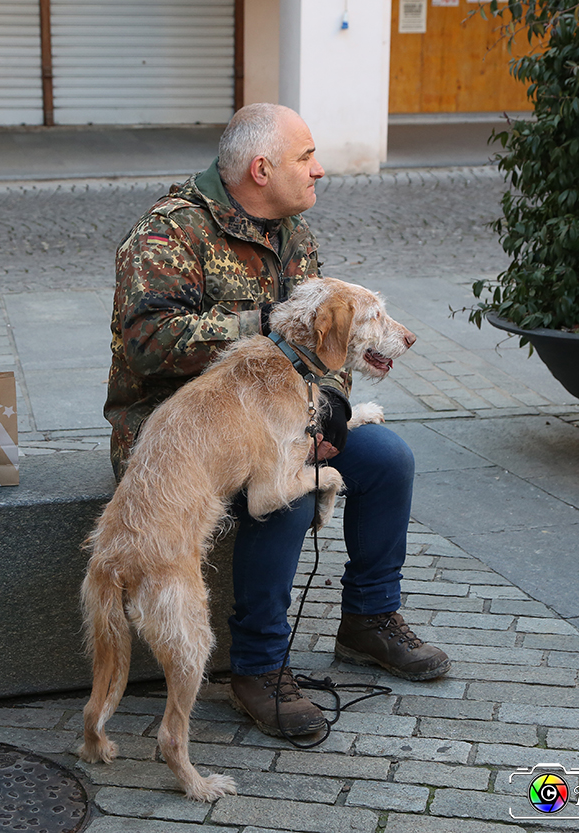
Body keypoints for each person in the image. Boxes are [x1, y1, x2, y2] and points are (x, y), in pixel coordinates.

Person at [104, 103, 450, 738]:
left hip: (285, 419)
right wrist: (261, 326)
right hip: (181, 437)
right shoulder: (167, 233)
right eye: (305, 157)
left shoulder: (295, 235)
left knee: (388, 460)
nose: (319, 170)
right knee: (282, 497)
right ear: (261, 169)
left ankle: (369, 620)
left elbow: (328, 349)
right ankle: (258, 668)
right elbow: (146, 344)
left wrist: (331, 419)